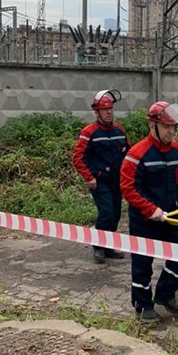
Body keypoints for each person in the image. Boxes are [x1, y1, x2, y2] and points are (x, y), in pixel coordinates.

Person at [120, 101, 178, 322]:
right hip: (145, 218)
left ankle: (165, 294)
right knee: (143, 262)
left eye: (173, 127)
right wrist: (150, 208)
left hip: (172, 213)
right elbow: (128, 188)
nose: (171, 132)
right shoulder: (137, 154)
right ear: (152, 126)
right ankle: (143, 306)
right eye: (166, 127)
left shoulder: (177, 151)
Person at [72, 89, 131, 264]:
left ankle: (108, 246)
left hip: (117, 181)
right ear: (97, 112)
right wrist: (89, 177)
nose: (109, 112)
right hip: (99, 182)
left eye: (111, 109)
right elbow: (77, 158)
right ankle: (98, 246)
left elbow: (129, 154)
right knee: (106, 213)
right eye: (105, 110)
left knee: (116, 215)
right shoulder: (89, 132)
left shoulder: (119, 130)